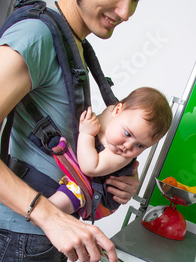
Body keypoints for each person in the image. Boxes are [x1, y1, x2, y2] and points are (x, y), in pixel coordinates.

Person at [0, 0, 160, 262]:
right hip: (23, 235)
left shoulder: (75, 43)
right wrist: (48, 215)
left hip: (41, 236)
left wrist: (117, 178)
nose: (126, 13)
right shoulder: (36, 37)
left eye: (136, 0)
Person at [50, 87, 172, 216]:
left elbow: (90, 167)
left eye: (140, 145)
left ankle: (47, 212)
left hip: (99, 199)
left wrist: (86, 134)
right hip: (87, 180)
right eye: (127, 134)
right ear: (117, 110)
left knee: (70, 194)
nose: (128, 146)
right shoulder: (109, 113)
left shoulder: (121, 156)